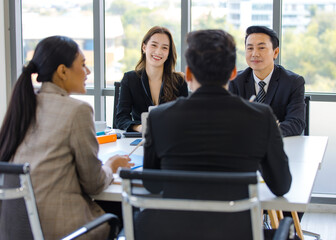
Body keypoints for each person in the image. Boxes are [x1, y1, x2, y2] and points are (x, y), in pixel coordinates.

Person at [142, 29, 293, 239]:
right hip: (237, 233)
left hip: (176, 233)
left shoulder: (158, 118)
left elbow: (152, 184)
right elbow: (281, 185)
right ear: (233, 73)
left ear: (187, 74)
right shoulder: (261, 117)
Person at [0, 36, 133, 240]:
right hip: (63, 232)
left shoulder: (23, 105)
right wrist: (111, 165)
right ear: (62, 71)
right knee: (128, 211)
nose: (88, 72)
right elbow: (94, 184)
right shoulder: (78, 110)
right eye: (83, 64)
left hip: (17, 230)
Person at [229, 25, 305, 137]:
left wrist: (263, 130)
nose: (255, 54)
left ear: (275, 52)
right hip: (244, 147)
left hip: (278, 146)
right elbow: (229, 120)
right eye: (250, 48)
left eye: (261, 48)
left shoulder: (293, 82)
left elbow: (296, 123)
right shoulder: (235, 81)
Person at [115, 26, 188, 132]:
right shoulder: (130, 79)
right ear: (144, 47)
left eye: (164, 48)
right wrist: (141, 128)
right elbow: (121, 118)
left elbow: (185, 119)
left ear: (168, 53)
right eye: (154, 45)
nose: (158, 52)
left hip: (171, 139)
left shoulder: (179, 81)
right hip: (141, 140)